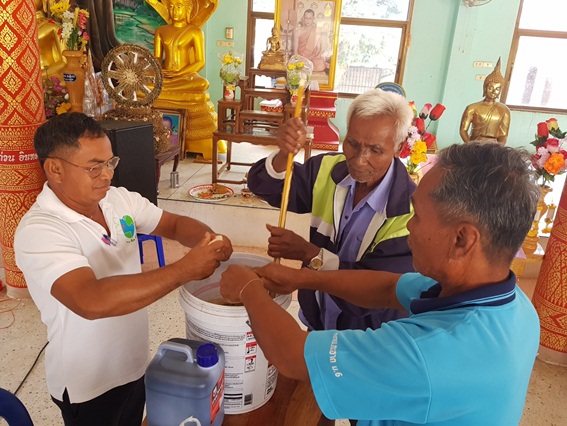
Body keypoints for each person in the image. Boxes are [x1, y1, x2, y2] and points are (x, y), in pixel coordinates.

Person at [220, 142, 541, 425]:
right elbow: (388, 288)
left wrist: (248, 288)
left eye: (417, 215)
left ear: (462, 239)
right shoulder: (515, 306)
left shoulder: (426, 354)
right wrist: (303, 277)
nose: (409, 226)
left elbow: (293, 357)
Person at [14, 113, 232, 426]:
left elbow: (172, 224)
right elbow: (90, 300)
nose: (106, 175)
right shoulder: (40, 230)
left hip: (133, 362)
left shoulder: (117, 200)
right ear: (55, 169)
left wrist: (209, 238)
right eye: (94, 167)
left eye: (110, 163)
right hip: (89, 383)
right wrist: (185, 269)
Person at [247, 88, 415, 332]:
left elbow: (374, 291)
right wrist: (284, 153)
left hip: (368, 336)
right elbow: (266, 186)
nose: (359, 160)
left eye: (375, 150)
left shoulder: (412, 214)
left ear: (399, 147)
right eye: (353, 144)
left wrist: (311, 254)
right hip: (319, 318)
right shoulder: (328, 169)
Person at [151, 0, 210, 103]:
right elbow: (157, 58)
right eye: (171, 7)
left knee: (202, 83)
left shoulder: (195, 32)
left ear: (188, 9)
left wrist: (179, 73)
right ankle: (166, 91)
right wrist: (159, 71)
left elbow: (200, 62)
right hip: (165, 75)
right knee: (139, 83)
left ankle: (162, 91)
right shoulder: (160, 30)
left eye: (179, 7)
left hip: (185, 76)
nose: (174, 11)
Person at [459, 58, 511, 145]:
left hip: (493, 146)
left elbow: (503, 135)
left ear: (501, 91)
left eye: (497, 89)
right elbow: (463, 131)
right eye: (490, 88)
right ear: (485, 88)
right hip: (474, 143)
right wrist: (470, 147)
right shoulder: (472, 108)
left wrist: (498, 149)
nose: (493, 91)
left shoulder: (504, 110)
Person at [35, 0, 66, 80]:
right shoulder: (16, 29)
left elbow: (64, 61)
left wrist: (39, 75)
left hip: (46, 76)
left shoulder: (53, 27)